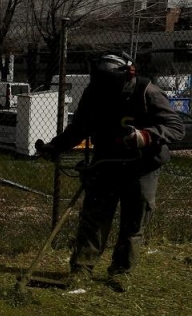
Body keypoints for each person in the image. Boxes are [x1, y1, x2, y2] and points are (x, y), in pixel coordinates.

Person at [39, 51, 184, 292]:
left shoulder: (147, 92)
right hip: (106, 163)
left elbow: (175, 126)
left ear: (128, 76)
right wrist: (55, 146)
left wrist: (145, 136)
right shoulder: (93, 93)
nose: (106, 88)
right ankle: (82, 270)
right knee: (94, 218)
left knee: (134, 221)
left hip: (142, 166)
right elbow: (80, 128)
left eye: (111, 83)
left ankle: (121, 271)